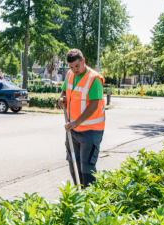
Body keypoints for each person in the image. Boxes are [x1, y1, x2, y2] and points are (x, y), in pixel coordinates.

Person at [58, 49, 106, 189]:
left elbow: (95, 105)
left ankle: (91, 200)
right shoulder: (69, 75)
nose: (74, 70)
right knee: (74, 166)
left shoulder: (94, 78)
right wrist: (61, 97)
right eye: (71, 67)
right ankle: (80, 196)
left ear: (83, 61)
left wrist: (76, 122)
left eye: (77, 66)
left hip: (91, 131)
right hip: (73, 130)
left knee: (87, 168)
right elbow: (64, 90)